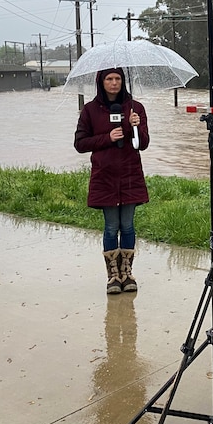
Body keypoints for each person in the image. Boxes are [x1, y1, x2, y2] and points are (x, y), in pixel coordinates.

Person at [74, 67, 149, 294]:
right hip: (104, 176)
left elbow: (143, 144)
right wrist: (107, 138)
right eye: (109, 79)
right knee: (110, 227)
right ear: (101, 82)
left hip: (130, 174)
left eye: (118, 79)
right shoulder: (90, 110)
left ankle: (127, 273)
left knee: (127, 225)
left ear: (122, 81)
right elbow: (80, 143)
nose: (114, 83)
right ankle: (113, 276)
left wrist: (136, 127)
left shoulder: (136, 108)